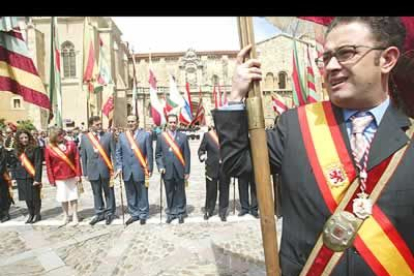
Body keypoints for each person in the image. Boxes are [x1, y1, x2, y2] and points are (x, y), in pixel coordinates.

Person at [213, 17, 414, 275]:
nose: (331, 66)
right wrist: (235, 97)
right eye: (326, 57)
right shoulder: (295, 126)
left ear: (386, 59)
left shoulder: (409, 134)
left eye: (346, 53)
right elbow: (236, 162)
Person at [115, 115, 153, 225]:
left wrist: (149, 167)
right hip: (127, 169)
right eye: (129, 121)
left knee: (142, 192)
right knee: (130, 193)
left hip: (140, 168)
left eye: (133, 121)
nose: (131, 123)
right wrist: (119, 167)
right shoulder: (122, 136)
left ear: (137, 122)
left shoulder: (145, 135)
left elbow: (149, 153)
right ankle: (134, 213)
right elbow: (118, 153)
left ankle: (143, 214)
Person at [81, 116, 117, 226]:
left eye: (100, 124)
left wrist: (115, 169)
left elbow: (114, 154)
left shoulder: (108, 136)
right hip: (92, 170)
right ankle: (99, 212)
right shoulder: (85, 138)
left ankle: (110, 212)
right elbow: (84, 156)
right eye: (97, 124)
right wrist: (85, 172)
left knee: (108, 192)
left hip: (106, 169)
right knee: (96, 193)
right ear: (91, 125)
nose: (100, 126)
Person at [155, 114, 191, 224]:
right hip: (167, 170)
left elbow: (187, 155)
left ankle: (180, 212)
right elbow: (158, 154)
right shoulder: (161, 137)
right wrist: (160, 166)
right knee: (169, 192)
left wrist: (187, 171)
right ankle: (171, 212)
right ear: (167, 123)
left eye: (174, 122)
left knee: (180, 191)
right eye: (170, 122)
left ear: (177, 123)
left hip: (180, 169)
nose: (172, 124)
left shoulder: (183, 137)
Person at [45, 128, 82, 225]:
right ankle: (66, 215)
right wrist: (51, 179)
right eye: (59, 135)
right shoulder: (49, 148)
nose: (61, 136)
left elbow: (77, 159)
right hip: (59, 176)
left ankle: (75, 215)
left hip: (71, 174)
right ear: (53, 136)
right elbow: (49, 165)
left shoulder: (71, 144)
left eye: (62, 134)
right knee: (63, 197)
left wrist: (78, 174)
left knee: (73, 196)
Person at [197, 124, 230, 221]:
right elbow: (201, 149)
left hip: (225, 168)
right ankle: (209, 210)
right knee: (211, 191)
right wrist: (202, 156)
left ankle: (223, 211)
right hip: (212, 167)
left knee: (224, 190)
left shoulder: (227, 135)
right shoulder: (207, 135)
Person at [9, 129, 43, 223]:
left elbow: (38, 164)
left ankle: (37, 214)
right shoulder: (16, 150)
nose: (24, 140)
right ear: (18, 139)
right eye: (21, 138)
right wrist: (13, 177)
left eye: (26, 137)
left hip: (32, 176)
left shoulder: (35, 148)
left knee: (34, 197)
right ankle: (31, 213)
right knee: (27, 197)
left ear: (29, 137)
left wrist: (37, 178)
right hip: (21, 177)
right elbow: (13, 164)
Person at [0, 136, 13, 222]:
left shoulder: (2, 150)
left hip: (1, 176)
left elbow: (2, 163)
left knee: (3, 195)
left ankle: (5, 213)